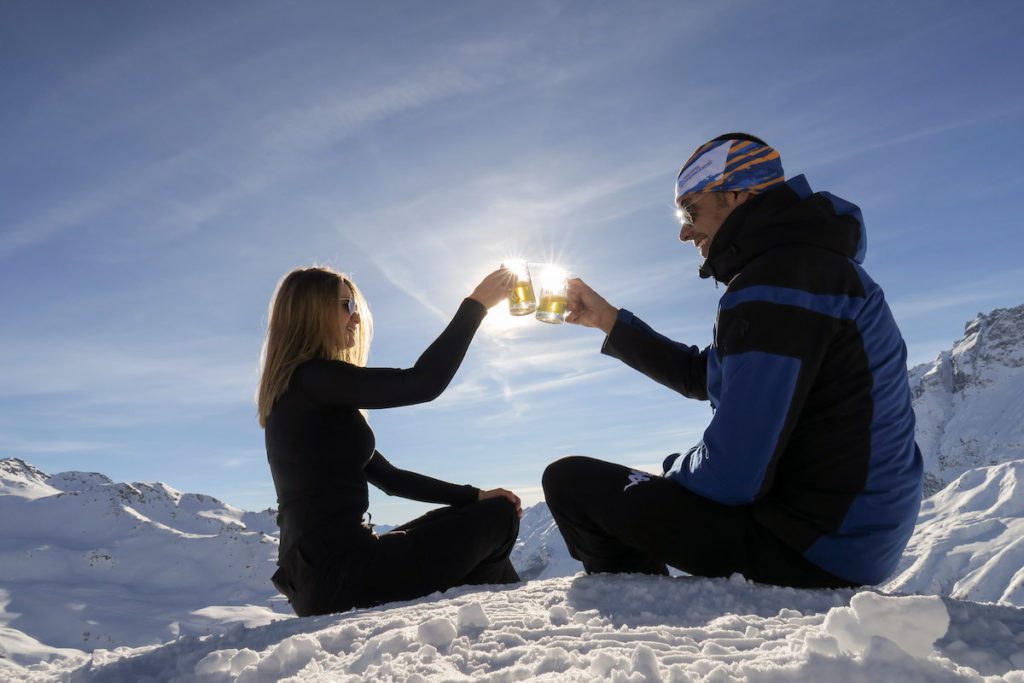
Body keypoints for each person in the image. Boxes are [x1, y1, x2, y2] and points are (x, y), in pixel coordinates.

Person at [543, 133, 923, 589]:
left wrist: (672, 470)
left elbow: (733, 476)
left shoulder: (776, 284)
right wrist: (608, 321)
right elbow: (705, 374)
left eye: (690, 210)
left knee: (570, 484)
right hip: (853, 534)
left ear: (737, 195)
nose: (684, 231)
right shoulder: (811, 272)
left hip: (813, 546)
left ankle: (640, 615)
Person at [258, 265, 522, 617]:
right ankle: (505, 611)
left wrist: (473, 496)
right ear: (313, 312)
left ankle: (490, 610)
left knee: (476, 512)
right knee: (500, 517)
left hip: (323, 578)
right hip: (344, 576)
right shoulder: (313, 379)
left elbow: (391, 479)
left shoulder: (306, 393)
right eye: (346, 306)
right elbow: (423, 382)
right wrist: (478, 303)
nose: (356, 319)